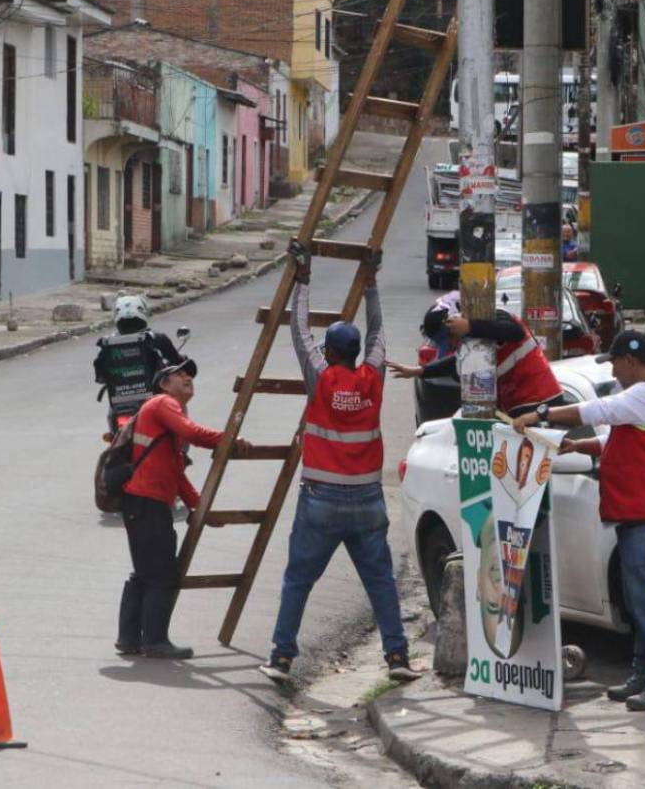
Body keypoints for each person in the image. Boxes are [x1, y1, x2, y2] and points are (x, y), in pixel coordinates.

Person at [259, 239, 418, 686]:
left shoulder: (322, 378)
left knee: (298, 581)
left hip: (321, 500)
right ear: (357, 352)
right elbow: (380, 333)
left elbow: (298, 331)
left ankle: (282, 658)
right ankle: (397, 656)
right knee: (380, 582)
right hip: (367, 499)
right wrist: (371, 284)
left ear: (330, 353)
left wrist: (303, 278)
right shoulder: (373, 377)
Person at [512, 330, 645, 710]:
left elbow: (596, 411)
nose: (616, 371)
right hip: (639, 512)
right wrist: (582, 445)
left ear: (630, 361)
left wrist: (540, 414)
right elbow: (622, 439)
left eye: (616, 363)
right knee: (639, 600)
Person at [117, 357, 252, 659]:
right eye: (179, 374)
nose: (188, 377)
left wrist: (198, 507)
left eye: (190, 374)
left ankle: (129, 639)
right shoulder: (164, 403)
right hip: (147, 501)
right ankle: (154, 641)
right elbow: (194, 433)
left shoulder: (165, 415)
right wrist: (230, 439)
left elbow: (177, 474)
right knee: (162, 572)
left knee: (145, 571)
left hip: (145, 501)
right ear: (163, 384)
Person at [389, 307, 565, 417]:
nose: (452, 344)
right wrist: (420, 371)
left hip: (542, 400)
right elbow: (453, 363)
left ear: (454, 322)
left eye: (450, 338)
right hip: (518, 407)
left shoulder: (494, 317)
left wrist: (470, 326)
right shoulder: (470, 345)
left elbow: (515, 332)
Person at [93, 294, 184, 430]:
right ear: (142, 312)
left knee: (114, 430)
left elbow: (100, 376)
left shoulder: (108, 344)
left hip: (119, 406)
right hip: (154, 402)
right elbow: (177, 361)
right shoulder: (156, 338)